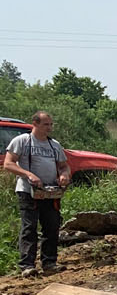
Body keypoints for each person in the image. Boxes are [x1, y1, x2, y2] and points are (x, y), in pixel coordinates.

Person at [3, 111, 70, 278]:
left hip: (50, 192)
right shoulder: (22, 141)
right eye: (46, 124)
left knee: (52, 226)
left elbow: (64, 166)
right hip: (28, 191)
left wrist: (64, 175)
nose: (49, 128)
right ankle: (27, 265)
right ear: (35, 123)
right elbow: (8, 164)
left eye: (51, 124)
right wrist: (28, 174)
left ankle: (49, 263)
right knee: (29, 227)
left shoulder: (54, 145)